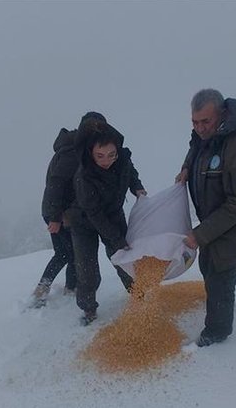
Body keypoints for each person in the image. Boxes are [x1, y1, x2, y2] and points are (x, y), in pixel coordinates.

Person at [176, 88, 236, 347]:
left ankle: (217, 333)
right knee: (211, 269)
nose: (200, 128)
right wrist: (185, 168)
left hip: (235, 229)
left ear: (222, 114)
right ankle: (223, 307)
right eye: (194, 121)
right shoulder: (209, 135)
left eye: (205, 121)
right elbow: (195, 147)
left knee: (219, 275)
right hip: (215, 225)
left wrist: (200, 234)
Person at [65, 119, 147, 325]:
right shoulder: (84, 176)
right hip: (84, 222)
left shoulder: (122, 160)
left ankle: (138, 294)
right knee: (87, 269)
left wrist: (137, 187)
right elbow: (95, 214)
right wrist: (117, 239)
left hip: (113, 213)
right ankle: (88, 308)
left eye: (111, 155)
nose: (106, 160)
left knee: (123, 258)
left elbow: (130, 173)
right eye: (100, 156)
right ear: (91, 153)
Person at [29, 112, 107, 308]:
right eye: (95, 130)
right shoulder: (72, 151)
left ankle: (68, 289)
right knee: (67, 253)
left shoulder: (75, 147)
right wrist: (55, 217)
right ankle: (46, 289)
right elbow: (56, 183)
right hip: (59, 212)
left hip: (59, 211)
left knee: (69, 252)